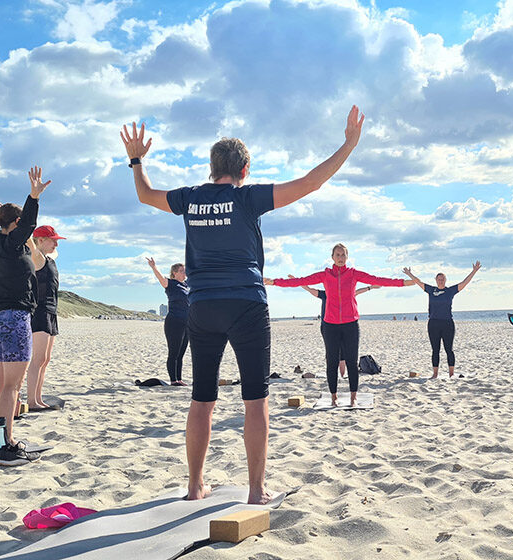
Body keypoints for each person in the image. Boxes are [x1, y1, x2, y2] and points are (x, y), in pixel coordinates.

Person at [120, 105, 365, 504]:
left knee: (202, 399)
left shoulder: (190, 198)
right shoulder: (248, 198)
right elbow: (310, 183)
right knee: (255, 399)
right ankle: (255, 490)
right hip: (247, 304)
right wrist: (348, 145)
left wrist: (136, 160)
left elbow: (145, 194)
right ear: (244, 170)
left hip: (202, 306)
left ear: (211, 168)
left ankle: (195, 486)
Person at [267, 243, 414, 406]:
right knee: (331, 362)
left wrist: (402, 283)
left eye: (343, 255)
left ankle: (353, 397)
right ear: (332, 257)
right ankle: (333, 396)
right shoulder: (325, 275)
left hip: (351, 323)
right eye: (337, 255)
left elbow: (377, 280)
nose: (340, 258)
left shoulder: (353, 274)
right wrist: (274, 282)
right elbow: (301, 281)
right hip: (330, 325)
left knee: (351, 361)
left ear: (347, 257)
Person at [0, 166, 51, 464]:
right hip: (15, 320)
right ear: (15, 225)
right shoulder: (13, 242)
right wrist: (33, 196)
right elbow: (28, 223)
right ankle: (6, 445)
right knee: (11, 387)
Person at [402, 261, 481, 378]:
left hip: (448, 323)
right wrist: (409, 274)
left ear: (445, 280)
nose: (441, 281)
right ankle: (435, 374)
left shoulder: (450, 291)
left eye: (442, 279)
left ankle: (451, 374)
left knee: (449, 349)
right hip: (433, 323)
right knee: (435, 350)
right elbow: (418, 282)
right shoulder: (431, 290)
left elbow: (464, 283)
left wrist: (474, 271)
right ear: (436, 280)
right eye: (439, 279)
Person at [298, 279, 380, 377]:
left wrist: (370, 287)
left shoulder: (343, 293)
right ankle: (333, 374)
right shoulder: (324, 294)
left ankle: (341, 376)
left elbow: (357, 292)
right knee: (331, 351)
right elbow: (309, 289)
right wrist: (297, 281)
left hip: (342, 325)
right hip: (327, 326)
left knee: (343, 352)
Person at [24, 225, 65, 410]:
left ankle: (38, 399)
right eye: (53, 239)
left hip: (51, 312)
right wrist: (19, 221)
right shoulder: (37, 256)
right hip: (40, 312)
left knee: (46, 359)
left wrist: (52, 246)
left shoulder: (50, 257)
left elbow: (54, 252)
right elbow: (28, 238)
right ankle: (32, 401)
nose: (56, 243)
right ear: (40, 240)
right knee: (38, 358)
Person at [147, 257, 190, 386]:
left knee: (181, 353)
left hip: (187, 323)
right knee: (174, 352)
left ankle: (179, 379)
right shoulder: (170, 284)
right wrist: (154, 267)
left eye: (185, 271)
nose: (184, 273)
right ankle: (173, 380)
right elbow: (160, 279)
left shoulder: (187, 286)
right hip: (174, 322)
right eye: (182, 271)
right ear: (174, 273)